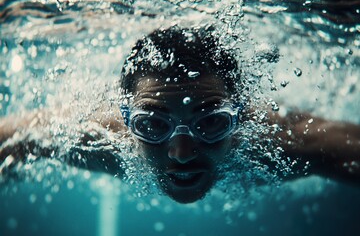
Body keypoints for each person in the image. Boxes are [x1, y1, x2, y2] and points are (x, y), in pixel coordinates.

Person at [0, 25, 359, 204]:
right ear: (127, 122)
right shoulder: (99, 137)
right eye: (153, 125)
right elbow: (12, 135)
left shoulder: (288, 144)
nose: (182, 153)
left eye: (211, 122)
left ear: (242, 116)